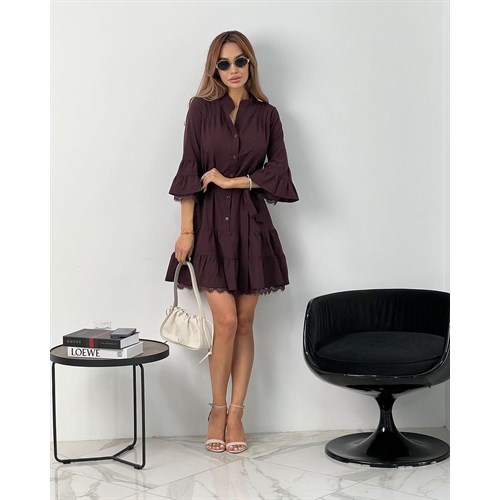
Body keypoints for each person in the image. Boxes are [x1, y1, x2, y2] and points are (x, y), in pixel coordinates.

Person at [165, 30, 299, 454]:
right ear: (214, 69)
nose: (233, 70)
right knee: (224, 321)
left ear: (250, 64)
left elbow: (279, 172)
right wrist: (186, 230)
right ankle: (216, 410)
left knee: (244, 322)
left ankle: (238, 412)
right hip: (209, 228)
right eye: (223, 63)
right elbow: (189, 168)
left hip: (252, 227)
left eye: (240, 61)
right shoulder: (200, 110)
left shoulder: (268, 114)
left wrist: (232, 180)